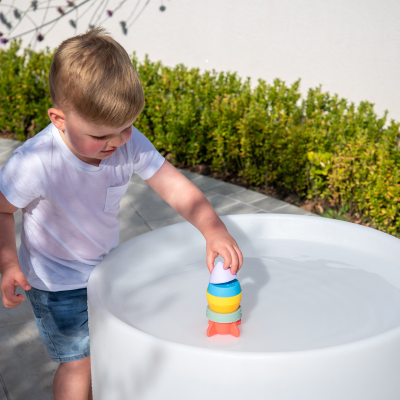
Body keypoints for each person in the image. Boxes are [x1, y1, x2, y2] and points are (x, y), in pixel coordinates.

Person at [0, 28, 243, 400]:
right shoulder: (35, 162)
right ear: (59, 119)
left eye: (125, 128)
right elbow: (2, 209)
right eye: (100, 136)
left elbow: (175, 187)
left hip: (104, 270)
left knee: (108, 347)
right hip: (56, 284)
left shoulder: (125, 142)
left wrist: (213, 229)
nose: (115, 142)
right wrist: (8, 263)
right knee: (79, 362)